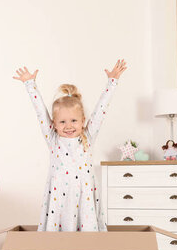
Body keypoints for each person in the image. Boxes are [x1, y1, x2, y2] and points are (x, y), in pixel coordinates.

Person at [12, 60, 127, 232]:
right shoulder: (53, 139)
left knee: (86, 233)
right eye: (62, 122)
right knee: (58, 233)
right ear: (54, 124)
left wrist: (112, 82)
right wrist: (30, 84)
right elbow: (40, 112)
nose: (68, 126)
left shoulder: (88, 136)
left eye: (74, 121)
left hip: (84, 196)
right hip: (59, 198)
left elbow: (101, 110)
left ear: (83, 121)